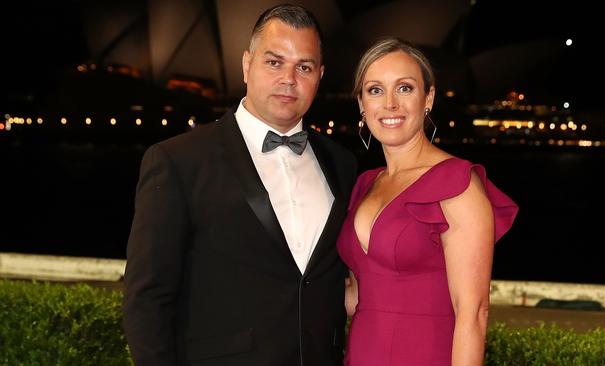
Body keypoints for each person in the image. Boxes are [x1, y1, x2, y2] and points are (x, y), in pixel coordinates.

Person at [122, 4, 357, 366]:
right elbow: (147, 297)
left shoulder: (342, 164)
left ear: (320, 75)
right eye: (274, 62)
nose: (289, 79)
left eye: (304, 67)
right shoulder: (178, 161)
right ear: (247, 64)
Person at [336, 37, 518, 366]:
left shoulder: (457, 184)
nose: (390, 103)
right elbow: (356, 296)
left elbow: (473, 314)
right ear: (362, 104)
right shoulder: (364, 185)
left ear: (428, 98)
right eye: (375, 90)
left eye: (404, 88)